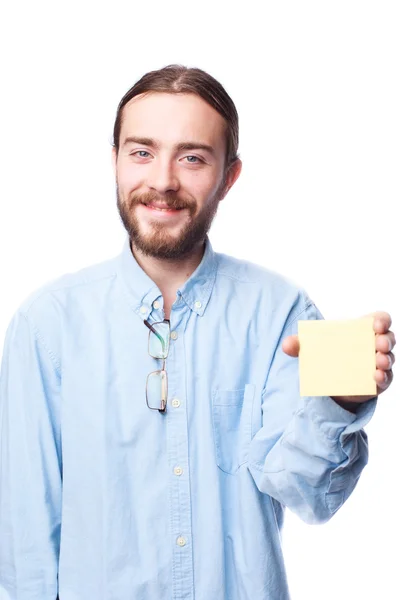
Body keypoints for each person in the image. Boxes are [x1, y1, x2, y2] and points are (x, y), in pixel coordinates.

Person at [0, 64, 395, 600]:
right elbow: (24, 538)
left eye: (192, 158)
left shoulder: (281, 313)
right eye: (142, 151)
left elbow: (308, 495)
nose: (162, 180)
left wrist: (339, 403)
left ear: (228, 177)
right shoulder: (47, 325)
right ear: (114, 161)